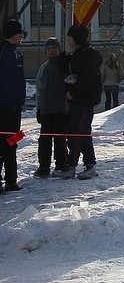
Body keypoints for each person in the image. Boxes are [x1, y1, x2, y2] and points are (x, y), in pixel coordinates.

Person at [62, 24, 102, 180]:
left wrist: (74, 86)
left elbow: (88, 80)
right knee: (76, 132)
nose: (68, 40)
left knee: (80, 133)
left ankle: (85, 165)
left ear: (76, 38)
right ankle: (75, 165)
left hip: (83, 101)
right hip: (77, 100)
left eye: (70, 37)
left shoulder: (87, 56)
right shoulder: (77, 54)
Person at [34, 37, 69, 178]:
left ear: (59, 49)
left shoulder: (65, 66)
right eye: (49, 49)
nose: (52, 51)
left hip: (61, 110)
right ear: (46, 51)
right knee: (44, 141)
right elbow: (39, 90)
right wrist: (39, 109)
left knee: (60, 140)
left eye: (54, 48)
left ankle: (61, 165)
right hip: (46, 111)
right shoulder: (43, 68)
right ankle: (44, 167)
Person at [0, 19, 26, 193]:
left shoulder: (17, 53)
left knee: (12, 142)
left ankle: (11, 179)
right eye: (19, 33)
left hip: (15, 108)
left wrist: (19, 101)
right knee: (3, 144)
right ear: (12, 34)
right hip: (4, 108)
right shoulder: (4, 52)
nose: (21, 36)